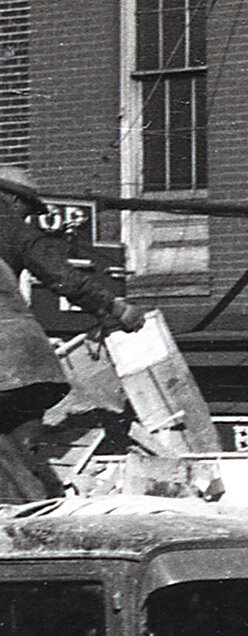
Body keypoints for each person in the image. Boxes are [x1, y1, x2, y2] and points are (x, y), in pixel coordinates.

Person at [0, 166, 145, 501]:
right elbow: (64, 277)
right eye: (25, 207)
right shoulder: (15, 231)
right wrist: (117, 310)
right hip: (29, 367)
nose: (27, 215)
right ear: (9, 198)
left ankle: (29, 515)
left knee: (12, 458)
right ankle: (40, 507)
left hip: (11, 369)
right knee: (22, 449)